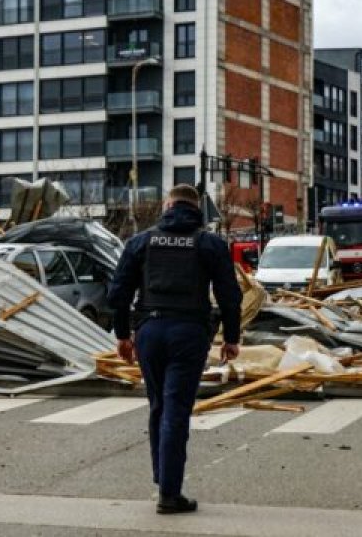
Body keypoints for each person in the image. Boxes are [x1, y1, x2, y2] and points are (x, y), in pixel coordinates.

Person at [107, 184, 243, 515]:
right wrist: (231, 338)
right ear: (197, 208)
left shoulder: (141, 241)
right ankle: (169, 493)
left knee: (158, 406)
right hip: (189, 333)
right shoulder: (209, 244)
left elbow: (118, 293)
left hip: (150, 332)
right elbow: (230, 295)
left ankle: (162, 476)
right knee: (176, 409)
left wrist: (123, 336)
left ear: (168, 205)